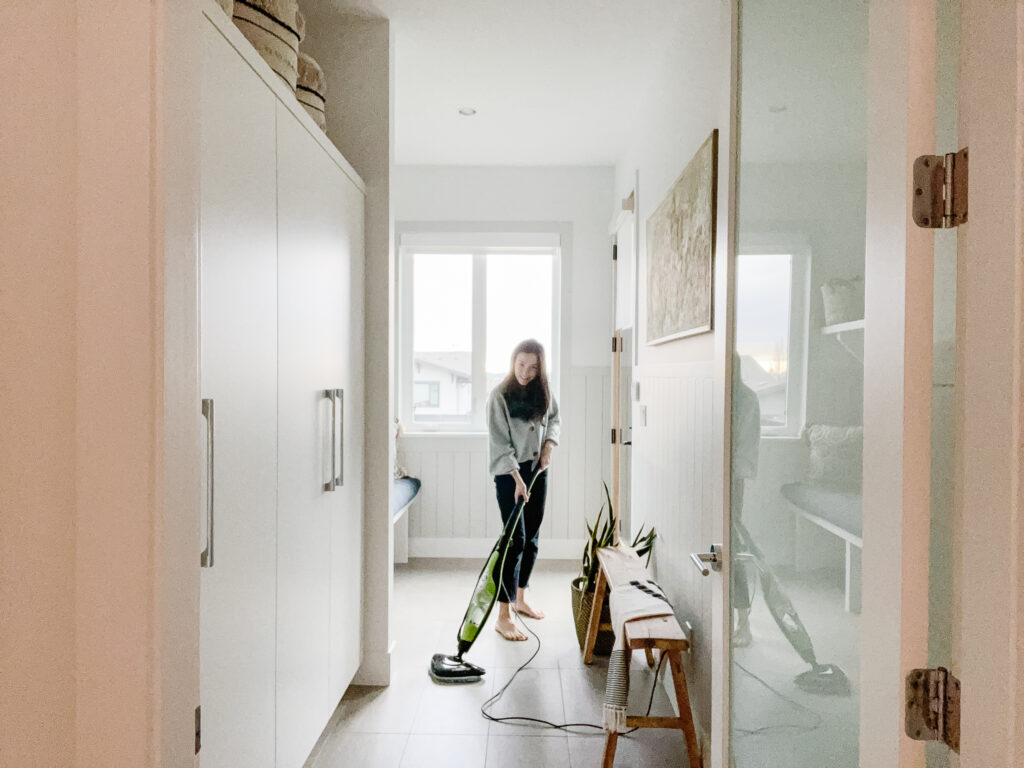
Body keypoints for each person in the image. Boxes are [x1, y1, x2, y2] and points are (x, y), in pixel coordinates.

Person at [487, 339, 560, 641]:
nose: (526, 372)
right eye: (521, 365)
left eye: (532, 367)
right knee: (513, 540)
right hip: (509, 475)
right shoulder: (499, 396)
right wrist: (517, 480)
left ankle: (520, 598)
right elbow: (500, 445)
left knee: (531, 539)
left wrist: (549, 446)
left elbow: (554, 420)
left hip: (537, 470)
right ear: (512, 362)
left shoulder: (543, 390)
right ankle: (503, 616)